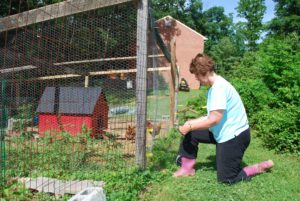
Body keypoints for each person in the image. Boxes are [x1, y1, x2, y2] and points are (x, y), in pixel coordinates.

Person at [174, 53, 274, 184]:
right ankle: (187, 169)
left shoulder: (218, 88)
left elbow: (214, 120)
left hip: (235, 136)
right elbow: (211, 116)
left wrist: (189, 125)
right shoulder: (214, 87)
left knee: (227, 179)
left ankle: (255, 168)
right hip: (221, 131)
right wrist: (190, 123)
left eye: (196, 75)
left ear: (202, 72)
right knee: (191, 132)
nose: (196, 78)